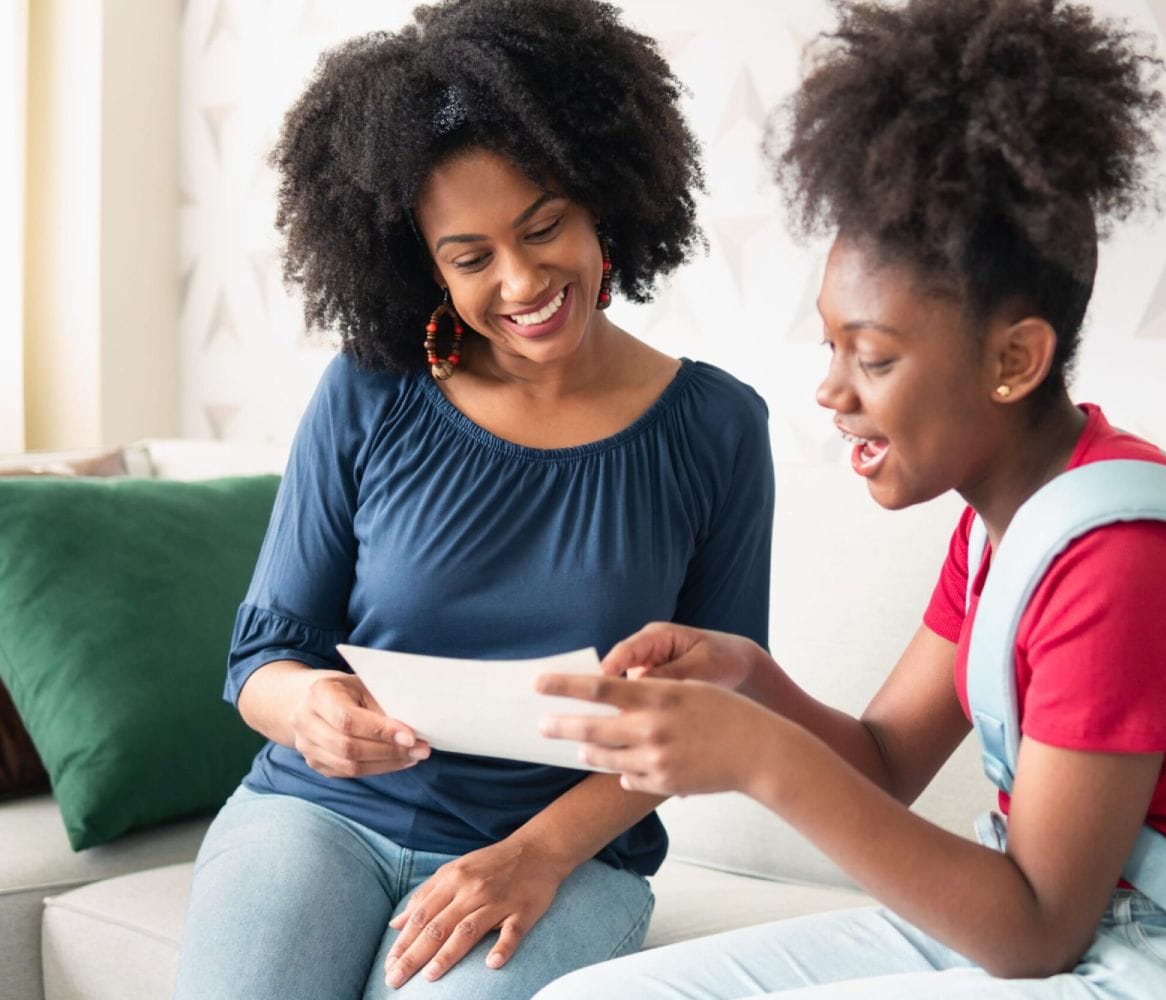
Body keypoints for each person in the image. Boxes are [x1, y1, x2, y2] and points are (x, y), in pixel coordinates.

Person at [532, 0, 1166, 996]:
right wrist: (751, 685)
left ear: (1013, 359)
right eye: (832, 346)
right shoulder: (1007, 528)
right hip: (1084, 934)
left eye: (873, 356)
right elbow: (885, 760)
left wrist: (758, 758)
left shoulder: (1125, 559)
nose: (831, 391)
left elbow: (1038, 928)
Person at [172, 1, 774, 997]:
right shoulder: (371, 389)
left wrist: (535, 856)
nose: (523, 280)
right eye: (472, 257)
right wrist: (312, 706)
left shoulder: (716, 429)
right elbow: (260, 658)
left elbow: (708, 711)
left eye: (545, 229)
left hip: (566, 853)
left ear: (602, 203)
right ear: (424, 267)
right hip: (319, 813)